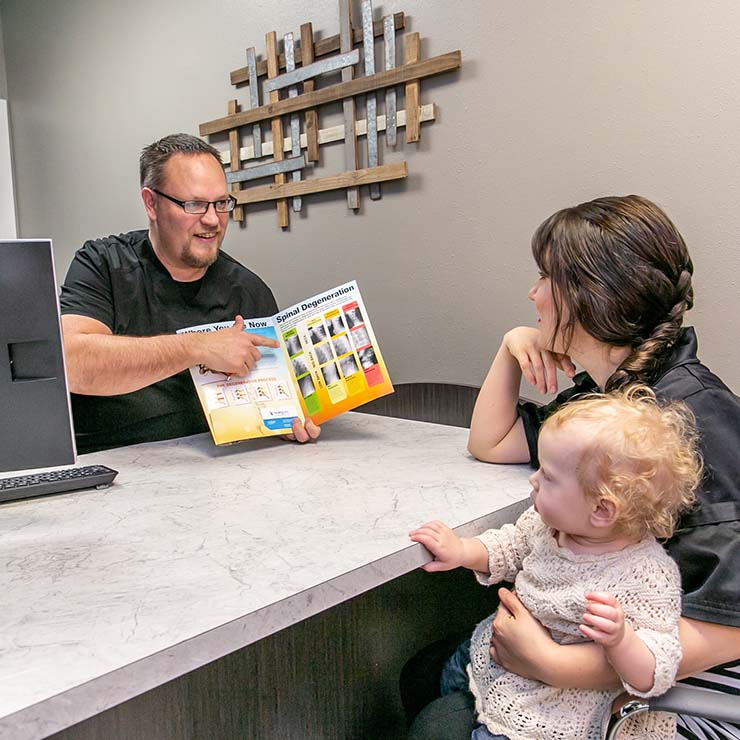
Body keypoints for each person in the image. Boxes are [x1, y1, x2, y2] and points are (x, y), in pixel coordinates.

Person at [403, 195, 740, 740]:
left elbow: (730, 627)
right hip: (593, 642)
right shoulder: (611, 399)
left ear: (590, 298)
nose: (532, 295)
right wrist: (510, 348)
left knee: (435, 724)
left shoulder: (698, 417)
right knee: (425, 673)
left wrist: (554, 666)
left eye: (544, 278)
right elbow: (492, 442)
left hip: (680, 686)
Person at [410, 387, 702, 740]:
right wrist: (462, 550)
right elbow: (510, 546)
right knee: (423, 676)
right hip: (496, 656)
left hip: (555, 714)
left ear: (602, 510)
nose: (533, 481)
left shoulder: (647, 576)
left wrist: (621, 640)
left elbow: (656, 670)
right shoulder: (549, 524)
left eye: (547, 476)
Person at [60, 133, 320, 453]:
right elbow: (73, 365)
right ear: (151, 203)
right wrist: (197, 347)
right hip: (111, 463)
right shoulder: (101, 264)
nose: (212, 220)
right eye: (194, 204)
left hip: (215, 469)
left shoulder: (248, 290)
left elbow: (265, 400)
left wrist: (283, 423)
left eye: (221, 203)